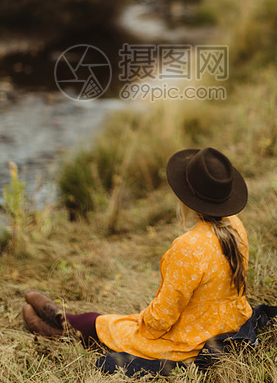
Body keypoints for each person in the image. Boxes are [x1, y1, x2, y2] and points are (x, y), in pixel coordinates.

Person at [22, 147, 253, 363]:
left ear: (187, 198)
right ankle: (57, 322)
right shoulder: (235, 225)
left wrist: (139, 326)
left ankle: (56, 324)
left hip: (192, 341)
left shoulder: (189, 247)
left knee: (102, 323)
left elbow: (161, 320)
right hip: (230, 322)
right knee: (116, 322)